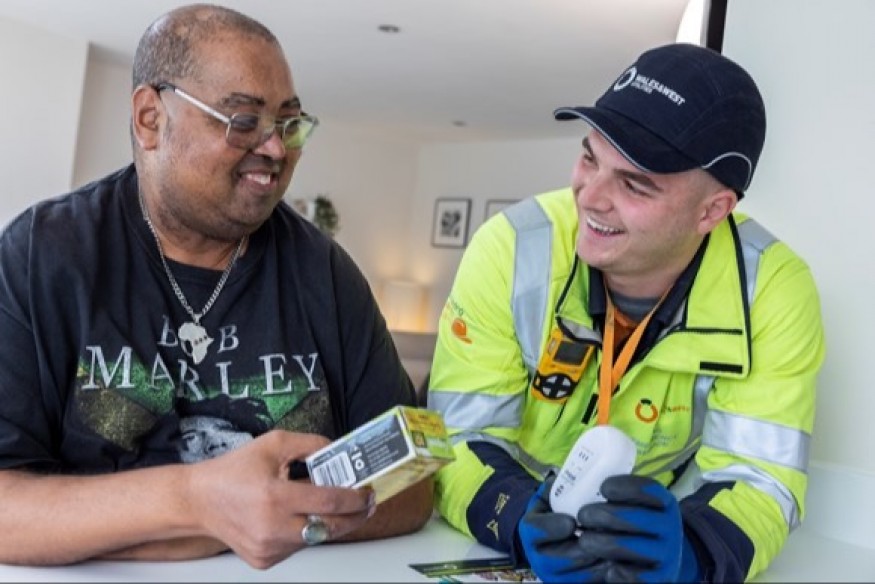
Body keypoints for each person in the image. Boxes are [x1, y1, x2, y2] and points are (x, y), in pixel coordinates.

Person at [0, 3, 432, 569]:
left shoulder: (326, 274)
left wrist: (264, 521)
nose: (275, 149)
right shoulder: (43, 254)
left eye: (289, 124)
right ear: (150, 119)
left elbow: (412, 483)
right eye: (243, 121)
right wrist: (198, 506)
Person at [428, 42, 825, 583]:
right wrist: (520, 518)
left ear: (712, 211)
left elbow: (761, 481)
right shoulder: (512, 247)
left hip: (667, 522)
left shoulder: (773, 290)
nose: (590, 197)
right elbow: (456, 440)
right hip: (512, 516)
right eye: (590, 157)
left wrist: (690, 556)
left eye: (635, 184)